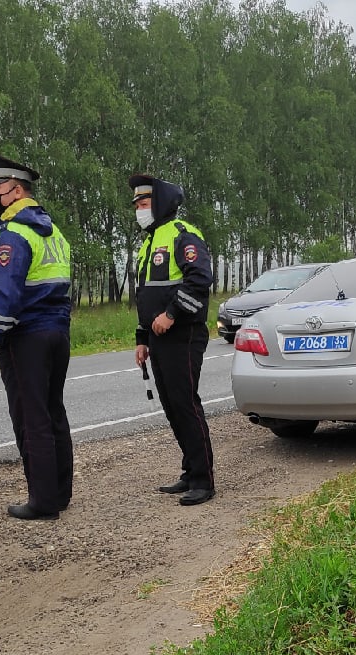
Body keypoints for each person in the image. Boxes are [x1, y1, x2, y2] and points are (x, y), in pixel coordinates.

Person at [0, 153, 74, 521]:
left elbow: (5, 295)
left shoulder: (12, 236)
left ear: (17, 191)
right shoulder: (53, 232)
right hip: (56, 333)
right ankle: (59, 493)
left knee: (32, 420)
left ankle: (43, 502)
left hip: (24, 336)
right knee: (53, 413)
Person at [129, 173, 215, 506]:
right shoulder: (149, 242)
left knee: (185, 404)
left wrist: (171, 314)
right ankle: (190, 471)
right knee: (172, 407)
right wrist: (142, 337)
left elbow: (200, 280)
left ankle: (204, 480)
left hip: (183, 333)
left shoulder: (183, 235)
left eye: (144, 203)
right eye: (136, 204)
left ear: (161, 203)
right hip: (158, 338)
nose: (138, 209)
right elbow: (145, 296)